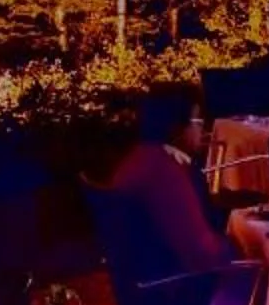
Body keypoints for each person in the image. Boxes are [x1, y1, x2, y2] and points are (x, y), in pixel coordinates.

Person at [97, 89, 226, 279]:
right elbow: (202, 253)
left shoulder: (137, 159)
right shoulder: (166, 173)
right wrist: (244, 247)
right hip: (180, 288)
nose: (203, 130)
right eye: (198, 122)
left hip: (149, 284)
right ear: (177, 128)